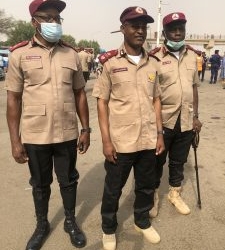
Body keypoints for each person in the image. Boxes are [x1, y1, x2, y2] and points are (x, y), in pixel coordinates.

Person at [5, 0, 91, 249]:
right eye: (47, 18)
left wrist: (85, 129)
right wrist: (15, 140)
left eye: (57, 19)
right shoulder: (19, 54)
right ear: (34, 21)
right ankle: (42, 224)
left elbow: (80, 94)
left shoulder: (71, 54)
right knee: (40, 185)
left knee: (69, 181)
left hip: (66, 132)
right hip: (35, 135)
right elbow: (13, 98)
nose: (54, 23)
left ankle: (70, 221)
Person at [92, 6, 165, 250]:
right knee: (113, 189)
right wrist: (106, 140)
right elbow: (102, 102)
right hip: (121, 141)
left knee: (145, 186)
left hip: (147, 140)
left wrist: (159, 134)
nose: (140, 31)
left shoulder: (153, 63)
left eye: (144, 26)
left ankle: (142, 222)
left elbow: (156, 99)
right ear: (123, 28)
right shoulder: (110, 63)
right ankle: (108, 229)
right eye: (135, 26)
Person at [149, 12, 202, 218]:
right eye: (173, 29)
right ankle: (152, 195)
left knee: (178, 161)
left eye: (181, 29)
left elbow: (194, 88)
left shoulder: (192, 56)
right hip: (164, 120)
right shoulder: (155, 57)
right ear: (165, 32)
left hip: (187, 119)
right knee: (156, 162)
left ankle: (174, 193)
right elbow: (150, 93)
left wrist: (196, 116)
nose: (178, 33)